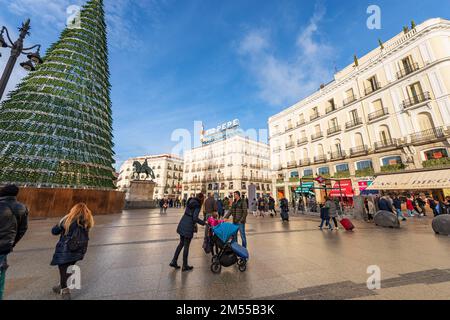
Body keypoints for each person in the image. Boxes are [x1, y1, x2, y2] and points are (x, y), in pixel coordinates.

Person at [51, 203, 94, 300]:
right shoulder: (88, 221)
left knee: (63, 270)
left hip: (65, 250)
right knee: (68, 268)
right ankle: (59, 286)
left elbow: (54, 231)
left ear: (74, 210)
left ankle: (65, 291)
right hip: (79, 250)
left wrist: (61, 222)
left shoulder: (68, 219)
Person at [0, 185, 29, 301]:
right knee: (1, 273)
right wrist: (12, 242)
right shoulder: (22, 207)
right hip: (5, 246)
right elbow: (23, 229)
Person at [170, 193, 206, 272]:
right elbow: (195, 218)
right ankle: (185, 265)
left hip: (183, 222)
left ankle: (174, 261)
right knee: (186, 246)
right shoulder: (197, 205)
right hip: (188, 226)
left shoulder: (190, 201)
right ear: (202, 199)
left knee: (181, 244)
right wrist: (204, 223)